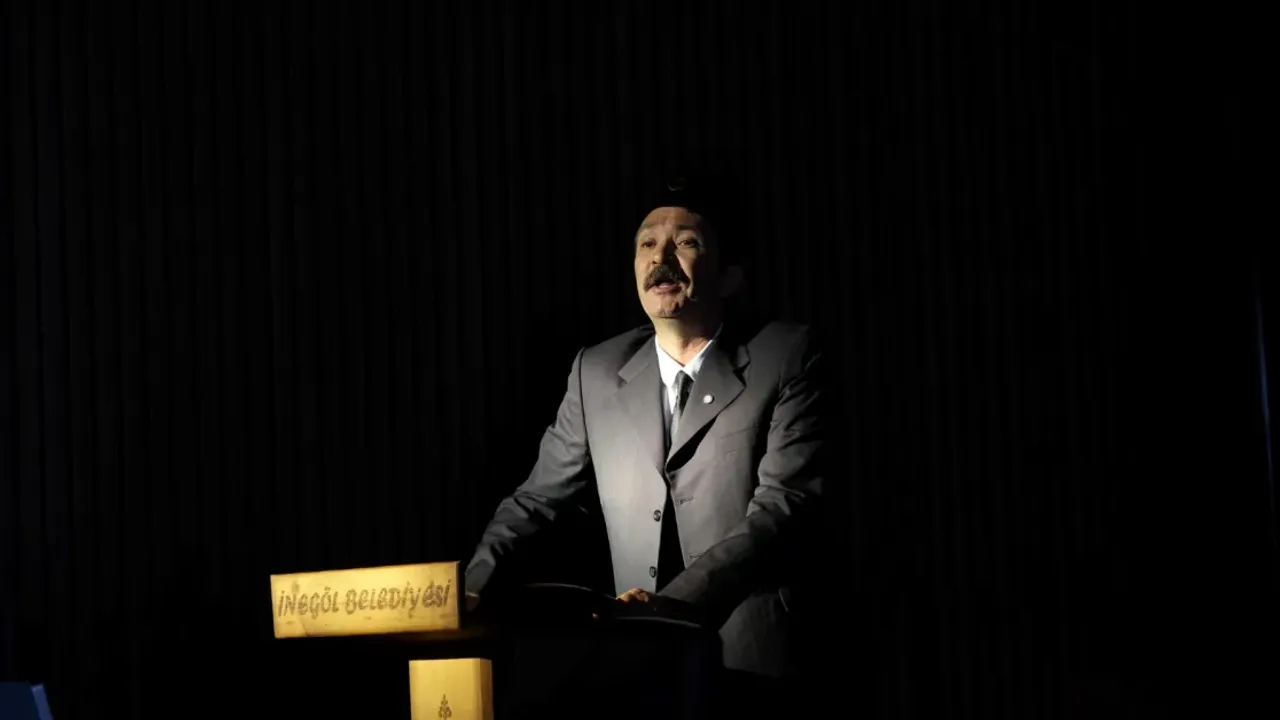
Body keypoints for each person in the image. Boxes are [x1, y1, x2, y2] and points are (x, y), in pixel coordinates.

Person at [463, 171, 830, 713]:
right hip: (637, 665)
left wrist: (669, 605)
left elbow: (783, 507)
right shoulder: (594, 370)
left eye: (686, 243)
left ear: (730, 275)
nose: (661, 257)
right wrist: (469, 591)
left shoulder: (787, 354)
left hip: (756, 659)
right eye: (647, 244)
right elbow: (536, 500)